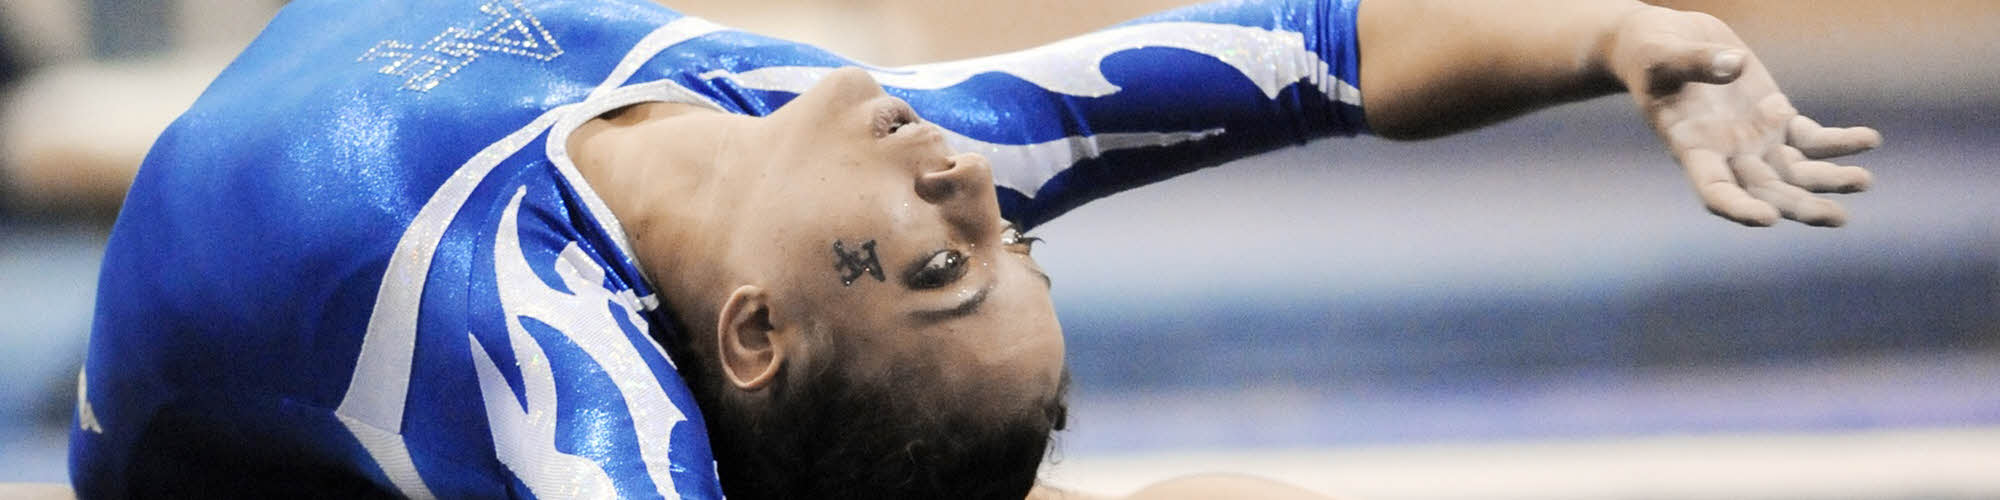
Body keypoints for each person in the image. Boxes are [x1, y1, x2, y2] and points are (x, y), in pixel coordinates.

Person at [70, 0, 1878, 498]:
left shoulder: (547, 363)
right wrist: (1618, 34)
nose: (968, 200)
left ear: (754, 335)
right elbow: (1316, 53)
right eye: (1006, 244)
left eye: (942, 270)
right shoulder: (907, 153)